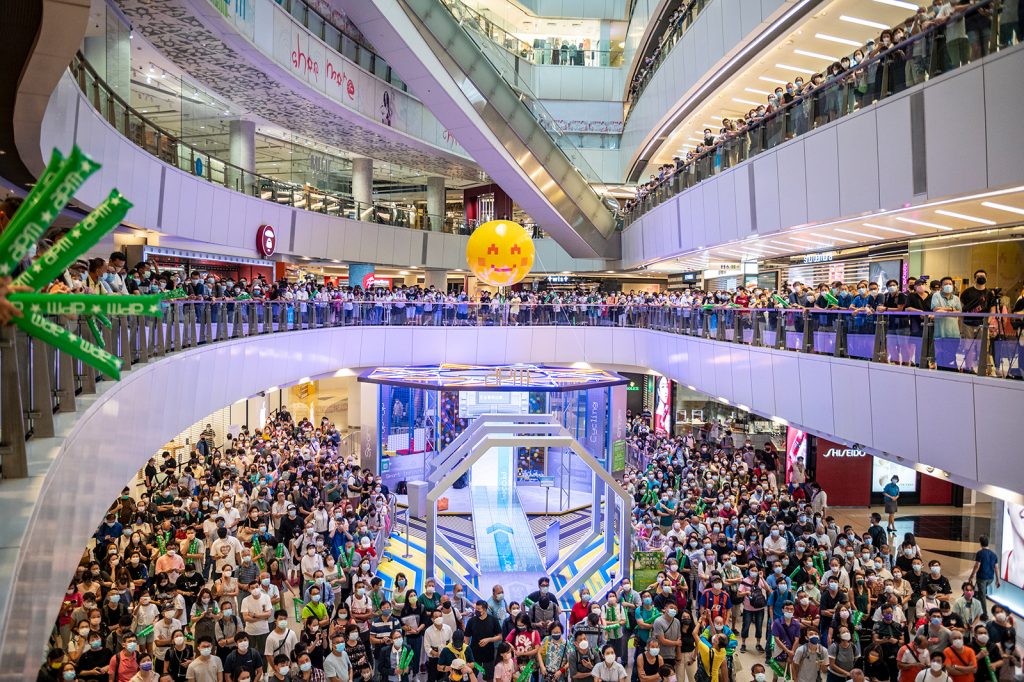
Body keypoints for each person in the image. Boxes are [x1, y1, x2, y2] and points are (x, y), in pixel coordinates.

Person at [968, 537, 1000, 618]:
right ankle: (976, 608)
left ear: (980, 543)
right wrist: (998, 580)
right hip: (990, 578)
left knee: (982, 595)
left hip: (982, 578)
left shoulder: (980, 553)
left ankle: (985, 614)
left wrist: (971, 576)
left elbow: (977, 566)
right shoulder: (993, 554)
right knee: (978, 592)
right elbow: (996, 568)